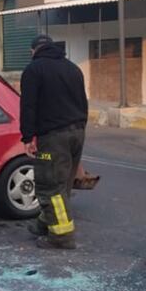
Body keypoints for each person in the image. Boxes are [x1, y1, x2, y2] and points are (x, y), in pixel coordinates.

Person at [20, 35, 88, 250]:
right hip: (77, 132)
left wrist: (27, 137)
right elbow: (83, 102)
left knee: (50, 186)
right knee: (63, 183)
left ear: (34, 51)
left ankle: (61, 237)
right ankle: (45, 223)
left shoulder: (34, 70)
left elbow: (28, 106)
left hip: (53, 137)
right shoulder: (72, 68)